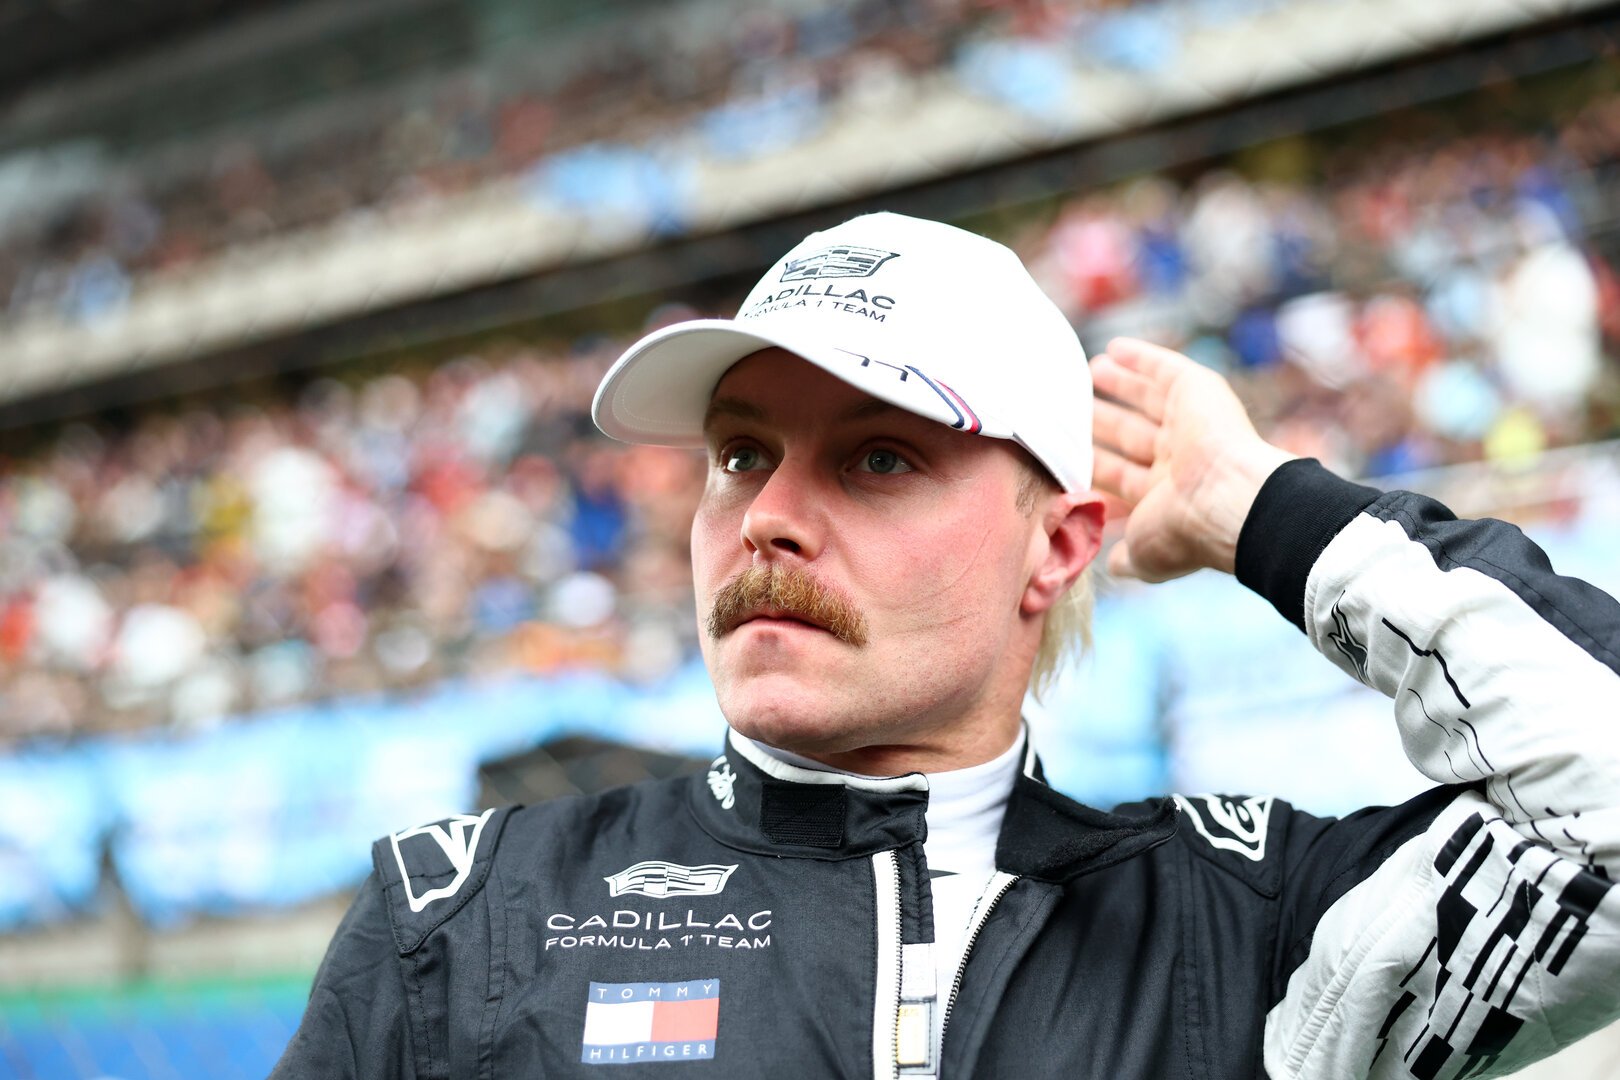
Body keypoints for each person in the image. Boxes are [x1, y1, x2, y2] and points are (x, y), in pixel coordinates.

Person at [272, 212, 1619, 1078]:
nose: (770, 520)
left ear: (1060, 546)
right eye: (741, 453)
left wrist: (1267, 514)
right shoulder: (457, 920)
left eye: (876, 457)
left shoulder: (1246, 930)